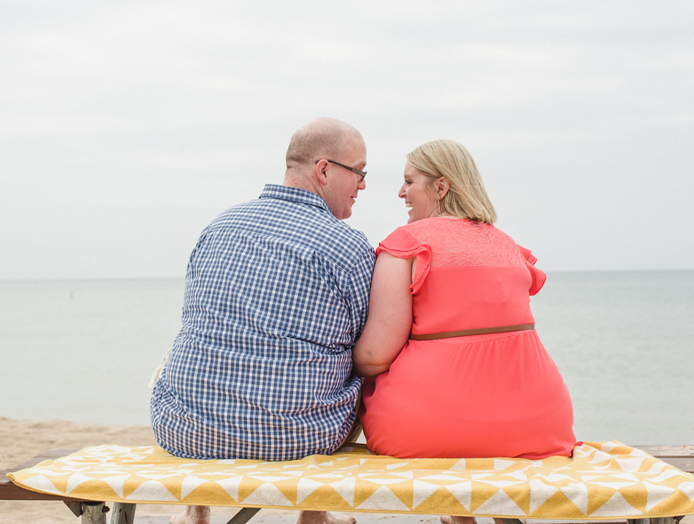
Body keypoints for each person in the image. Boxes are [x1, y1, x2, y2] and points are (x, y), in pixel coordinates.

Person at [150, 117, 375, 524]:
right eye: (359, 172)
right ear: (324, 170)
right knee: (358, 367)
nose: (363, 185)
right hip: (301, 438)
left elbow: (195, 319)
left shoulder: (219, 226)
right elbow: (367, 347)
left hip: (184, 429)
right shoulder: (349, 246)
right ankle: (314, 513)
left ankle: (195, 511)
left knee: (189, 347)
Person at [353, 139, 575, 469]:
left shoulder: (406, 243)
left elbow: (374, 357)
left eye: (410, 181)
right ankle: (462, 519)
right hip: (541, 425)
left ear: (441, 187)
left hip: (425, 429)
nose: (402, 192)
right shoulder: (507, 245)